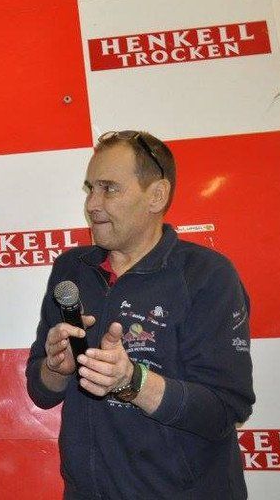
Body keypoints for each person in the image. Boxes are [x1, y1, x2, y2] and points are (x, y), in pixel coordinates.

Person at [26, 130, 254, 499]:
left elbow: (225, 409)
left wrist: (133, 381)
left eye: (109, 189)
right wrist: (56, 368)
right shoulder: (71, 270)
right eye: (90, 189)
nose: (92, 204)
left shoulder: (206, 274)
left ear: (156, 195)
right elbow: (40, 392)